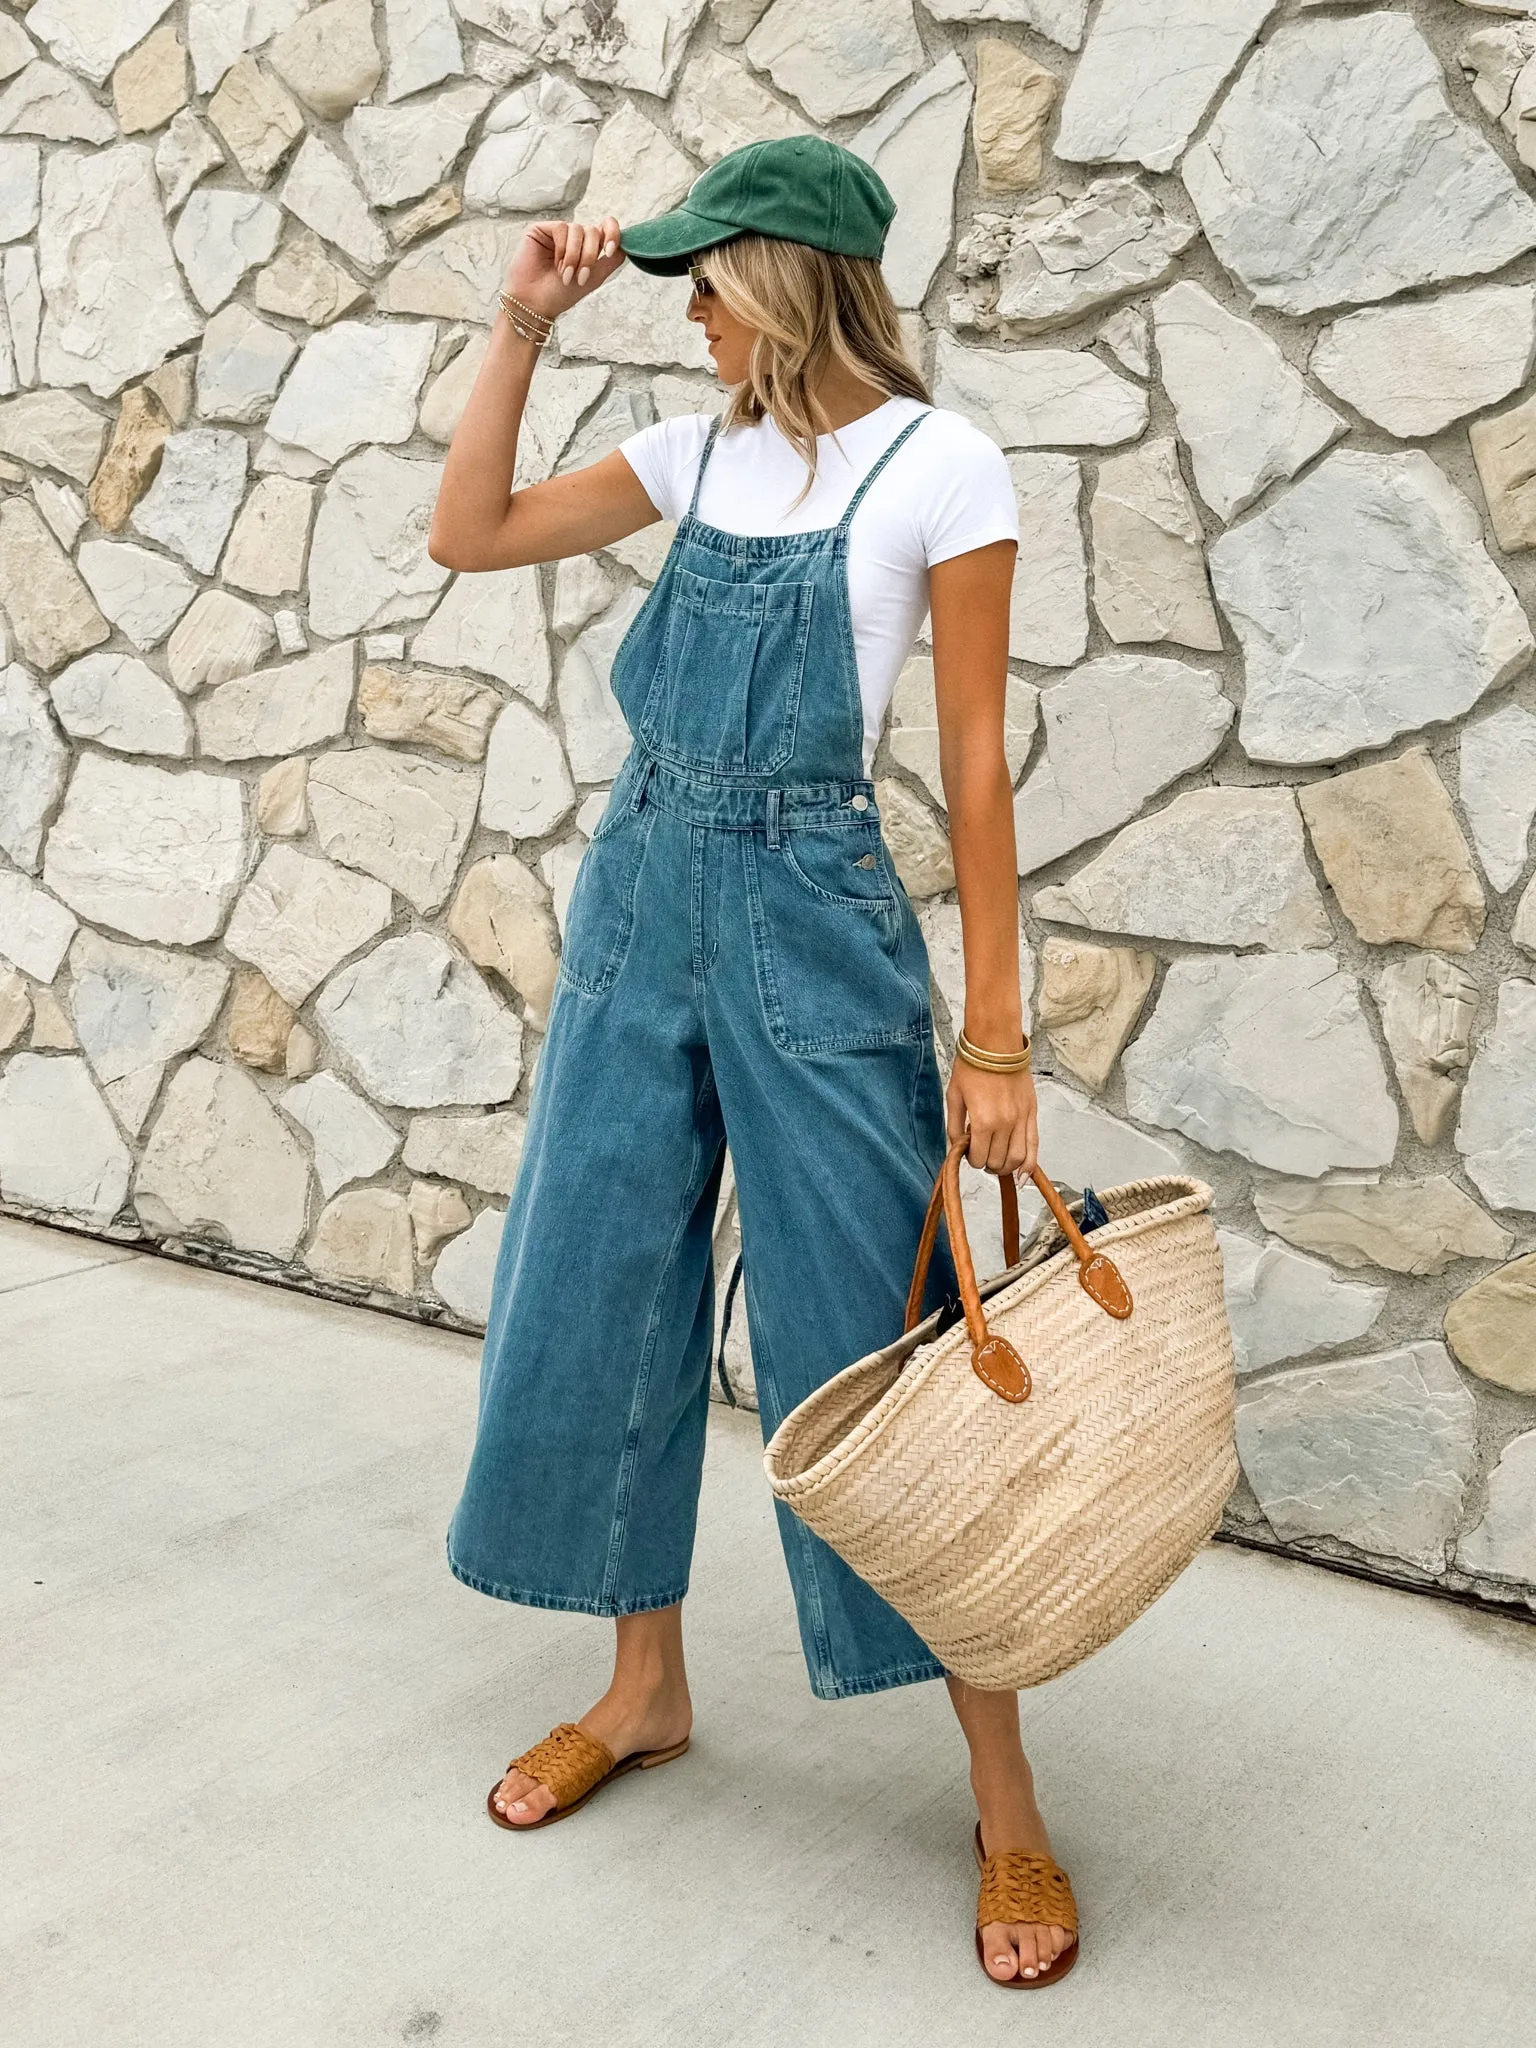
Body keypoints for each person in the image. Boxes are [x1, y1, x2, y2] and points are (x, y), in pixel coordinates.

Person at [429, 135, 1075, 1989]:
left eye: (708, 277)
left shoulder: (940, 466)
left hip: (812, 923)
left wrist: (997, 1028)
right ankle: (642, 1692)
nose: (689, 305)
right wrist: (520, 325)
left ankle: (1008, 1800)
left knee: (885, 1355)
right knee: (604, 1292)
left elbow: (964, 766)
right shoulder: (695, 451)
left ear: (785, 280)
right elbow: (465, 536)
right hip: (644, 903)